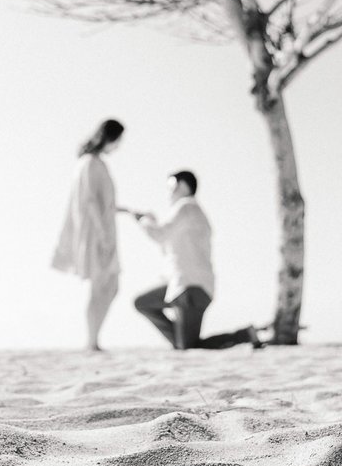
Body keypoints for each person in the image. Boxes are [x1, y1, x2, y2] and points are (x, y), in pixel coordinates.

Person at [131, 170, 261, 350]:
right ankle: (180, 341)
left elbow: (159, 234)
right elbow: (168, 245)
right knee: (143, 303)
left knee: (190, 347)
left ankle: (245, 335)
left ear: (183, 186)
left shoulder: (186, 206)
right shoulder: (192, 211)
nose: (168, 192)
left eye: (171, 185)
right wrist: (151, 221)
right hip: (182, 285)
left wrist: (144, 221)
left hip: (190, 287)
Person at [51, 118, 124, 351]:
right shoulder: (90, 163)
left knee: (108, 284)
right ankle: (92, 341)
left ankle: (93, 340)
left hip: (103, 230)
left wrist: (128, 211)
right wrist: (102, 235)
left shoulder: (95, 163)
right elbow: (90, 201)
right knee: (102, 284)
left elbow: (104, 203)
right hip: (96, 233)